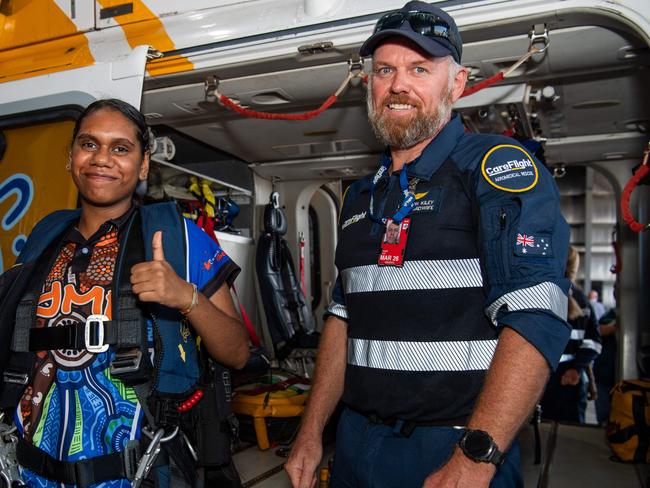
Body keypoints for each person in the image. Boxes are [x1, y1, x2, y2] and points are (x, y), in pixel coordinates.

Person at [285, 2, 571, 487]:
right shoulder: (360, 193)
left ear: (456, 84)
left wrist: (476, 456)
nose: (399, 85)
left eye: (420, 68)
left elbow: (535, 316)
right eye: (385, 70)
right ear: (369, 85)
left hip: (456, 445)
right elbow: (342, 318)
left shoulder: (494, 169)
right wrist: (311, 432)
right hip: (357, 443)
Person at [0, 99, 249, 487]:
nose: (102, 158)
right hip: (29, 473)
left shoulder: (180, 237)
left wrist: (185, 296)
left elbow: (237, 351)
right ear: (70, 158)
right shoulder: (44, 238)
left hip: (135, 472)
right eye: (89, 144)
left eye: (120, 148)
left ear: (144, 164)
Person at [540, 247, 601, 423]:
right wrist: (578, 367)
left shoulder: (540, 297)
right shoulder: (583, 301)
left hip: (541, 381)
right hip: (571, 381)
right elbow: (593, 343)